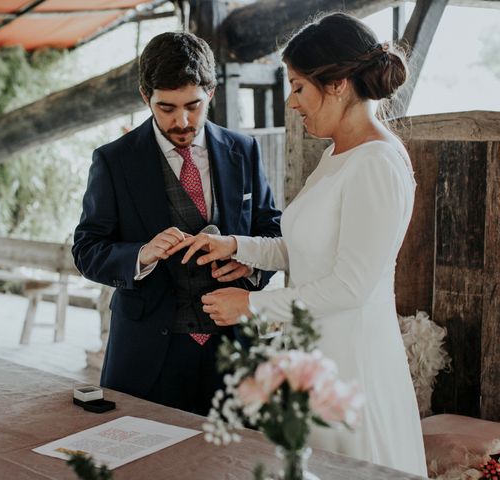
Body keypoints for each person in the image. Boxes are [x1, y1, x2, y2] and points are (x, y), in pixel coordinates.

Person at [168, 12, 427, 476]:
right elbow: (303, 248)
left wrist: (252, 307)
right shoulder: (336, 154)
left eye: (298, 86)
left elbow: (350, 286)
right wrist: (234, 246)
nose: (291, 102)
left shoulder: (377, 164)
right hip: (313, 358)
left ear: (340, 84)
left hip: (352, 366)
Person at [72, 32, 282, 416]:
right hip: (148, 355)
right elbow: (86, 250)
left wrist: (251, 263)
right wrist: (140, 255)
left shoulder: (245, 150)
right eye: (166, 108)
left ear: (212, 93)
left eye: (193, 106)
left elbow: (272, 228)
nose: (181, 121)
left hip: (234, 351)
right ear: (144, 96)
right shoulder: (113, 161)